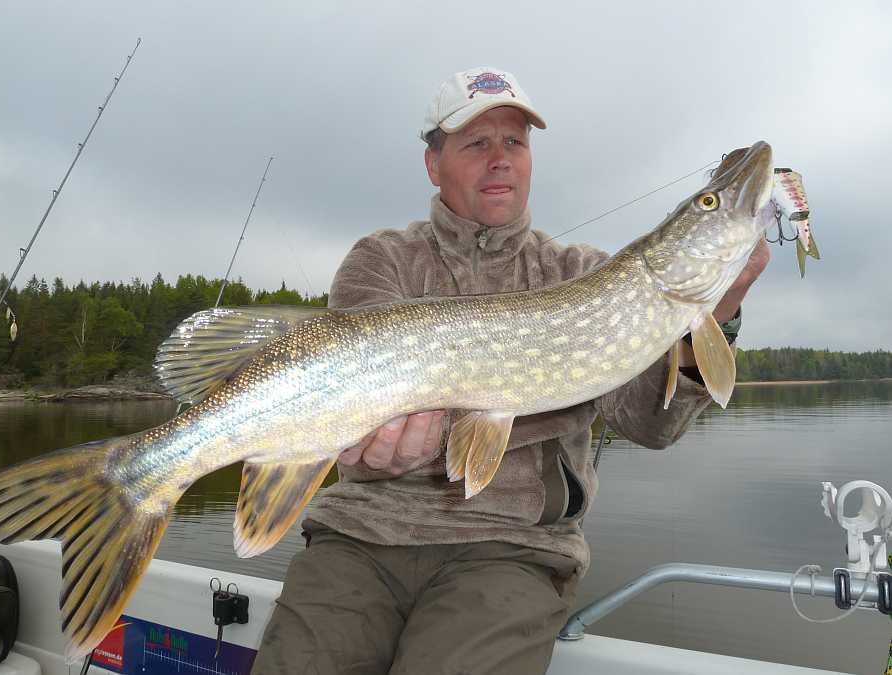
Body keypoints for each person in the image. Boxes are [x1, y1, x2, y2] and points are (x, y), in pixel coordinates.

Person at [252, 67, 769, 675]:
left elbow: (652, 427)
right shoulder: (381, 261)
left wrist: (721, 307)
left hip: (513, 547)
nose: (500, 160)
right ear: (432, 163)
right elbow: (354, 421)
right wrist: (369, 453)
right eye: (477, 143)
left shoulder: (583, 272)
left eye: (515, 143)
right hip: (363, 535)